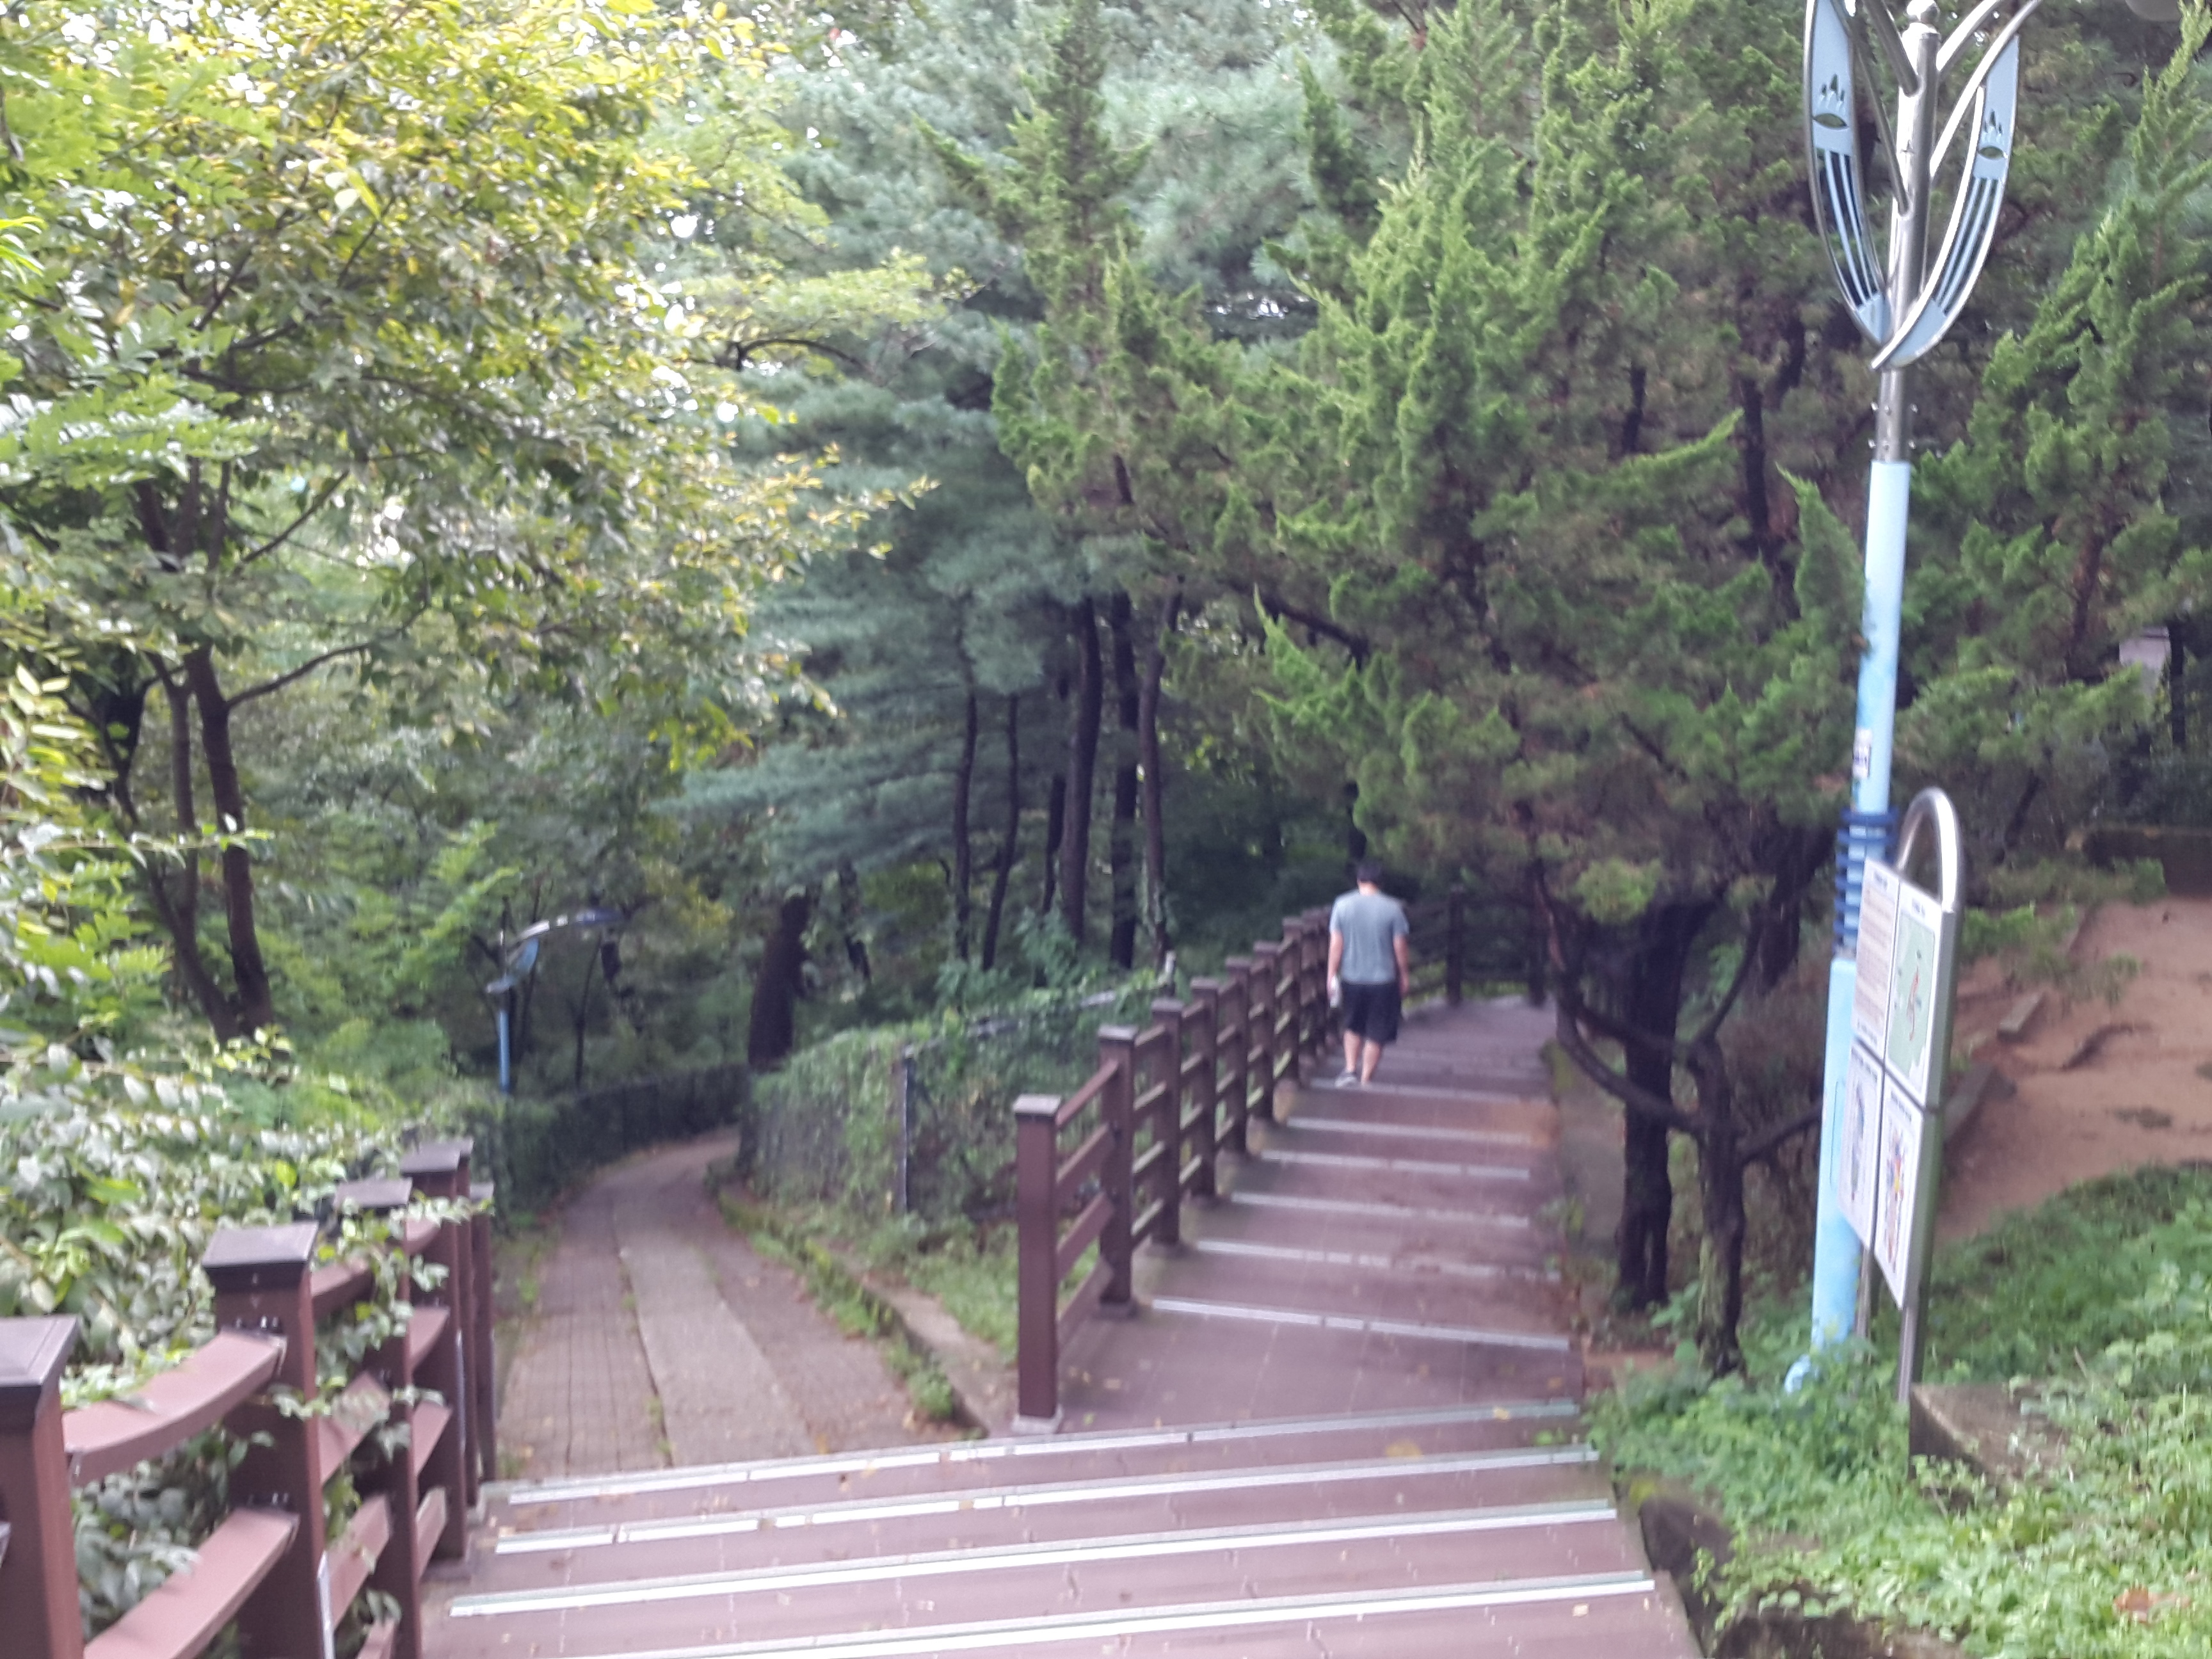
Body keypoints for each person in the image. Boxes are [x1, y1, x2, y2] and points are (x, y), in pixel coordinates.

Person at [1327, 859, 1411, 1086]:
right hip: (1384, 980)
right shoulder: (1393, 909)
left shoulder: (1342, 905)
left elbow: (1336, 945)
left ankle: (1350, 1069)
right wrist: (1404, 974)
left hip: (1351, 977)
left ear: (1359, 880)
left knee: (1352, 1025)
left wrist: (1331, 974)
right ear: (1381, 882)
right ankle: (1366, 1079)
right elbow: (1400, 947)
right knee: (1377, 1031)